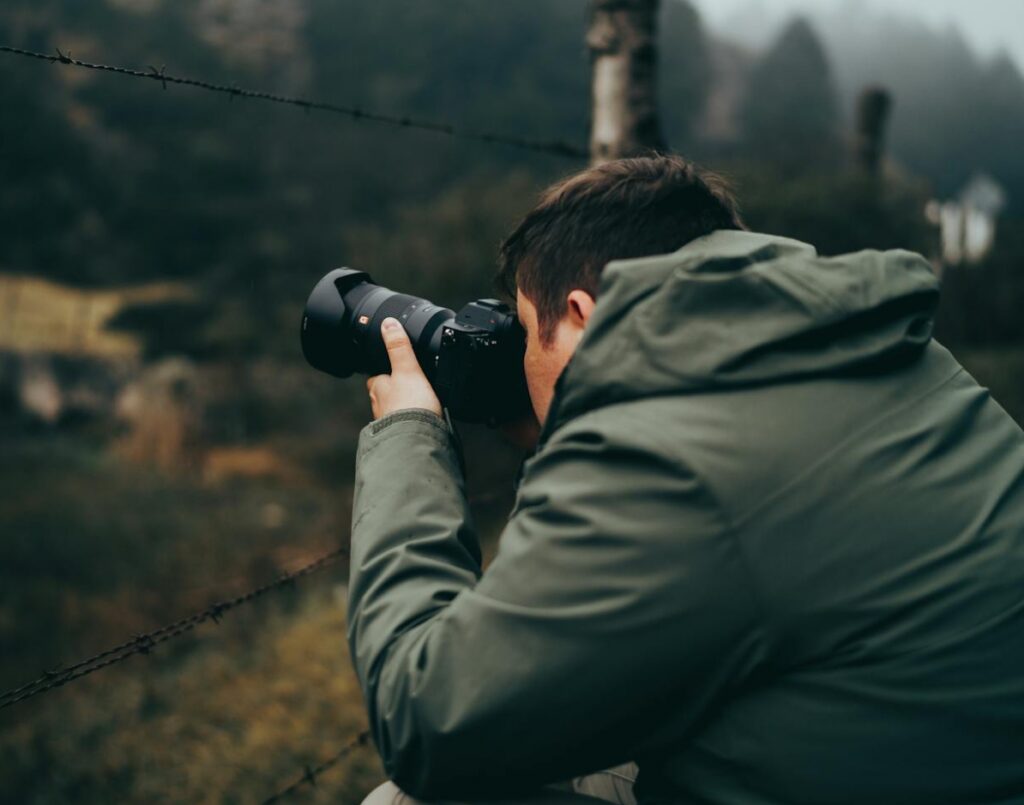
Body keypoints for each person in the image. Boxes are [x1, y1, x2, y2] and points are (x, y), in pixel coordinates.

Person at [348, 155, 1024, 804]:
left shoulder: (675, 460)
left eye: (527, 331)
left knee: (409, 800)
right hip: (944, 766)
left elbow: (428, 719)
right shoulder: (877, 345)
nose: (522, 358)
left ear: (582, 312)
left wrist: (410, 431)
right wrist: (562, 436)